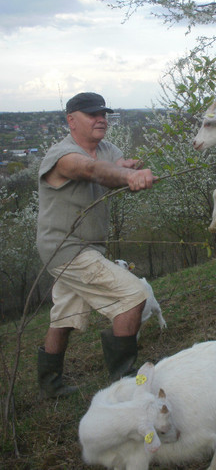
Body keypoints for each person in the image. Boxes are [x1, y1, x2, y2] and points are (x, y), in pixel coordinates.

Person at [36, 92, 156, 398]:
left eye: (103, 113)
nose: (101, 118)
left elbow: (111, 169)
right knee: (133, 295)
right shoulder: (62, 155)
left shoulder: (106, 148)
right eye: (92, 114)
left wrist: (125, 170)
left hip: (87, 247)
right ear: (71, 121)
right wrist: (129, 174)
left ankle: (50, 386)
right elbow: (91, 171)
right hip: (65, 247)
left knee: (65, 316)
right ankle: (124, 385)